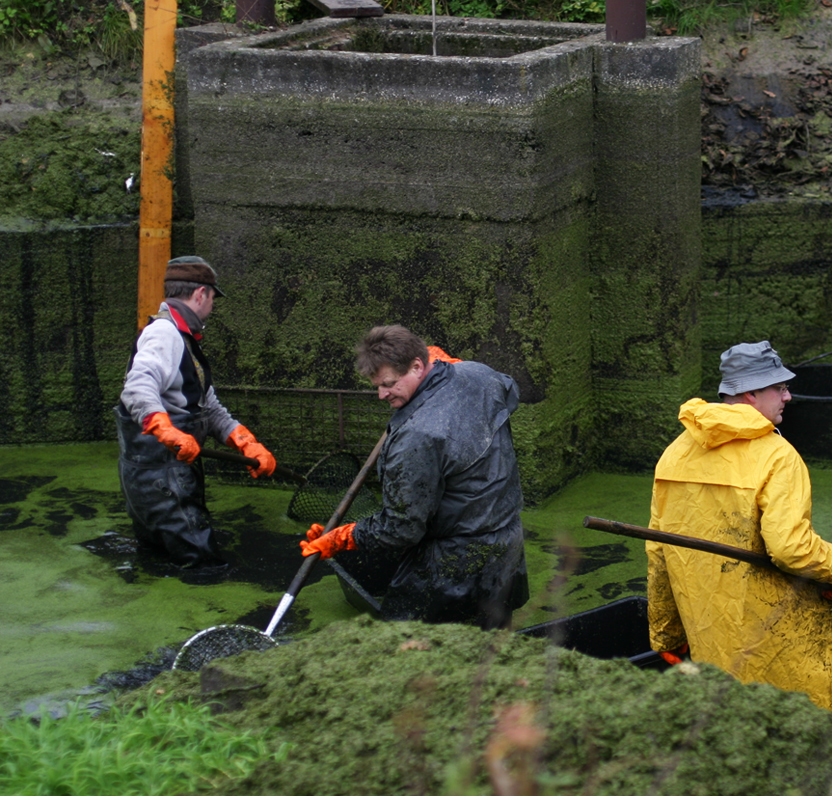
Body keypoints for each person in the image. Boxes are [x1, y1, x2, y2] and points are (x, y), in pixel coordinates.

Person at [645, 340, 832, 745]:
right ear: (751, 393)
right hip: (780, 628)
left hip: (715, 635)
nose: (788, 395)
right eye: (779, 388)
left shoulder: (674, 454)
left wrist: (666, 634)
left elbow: (658, 552)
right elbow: (790, 549)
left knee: (760, 740)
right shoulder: (776, 455)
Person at [300, 325, 530, 628]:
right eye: (377, 386)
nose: (382, 394)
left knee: (415, 645)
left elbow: (402, 528)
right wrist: (451, 374)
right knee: (491, 643)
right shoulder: (480, 375)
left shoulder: (416, 436)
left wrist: (345, 537)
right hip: (507, 539)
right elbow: (508, 388)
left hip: (456, 560)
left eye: (389, 384)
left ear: (418, 365)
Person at [115, 255, 277, 568]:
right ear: (200, 294)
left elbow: (207, 404)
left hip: (169, 472)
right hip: (160, 476)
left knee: (159, 560)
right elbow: (137, 387)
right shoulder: (164, 334)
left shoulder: (185, 339)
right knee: (202, 563)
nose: (212, 307)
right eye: (213, 298)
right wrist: (165, 429)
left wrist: (244, 440)